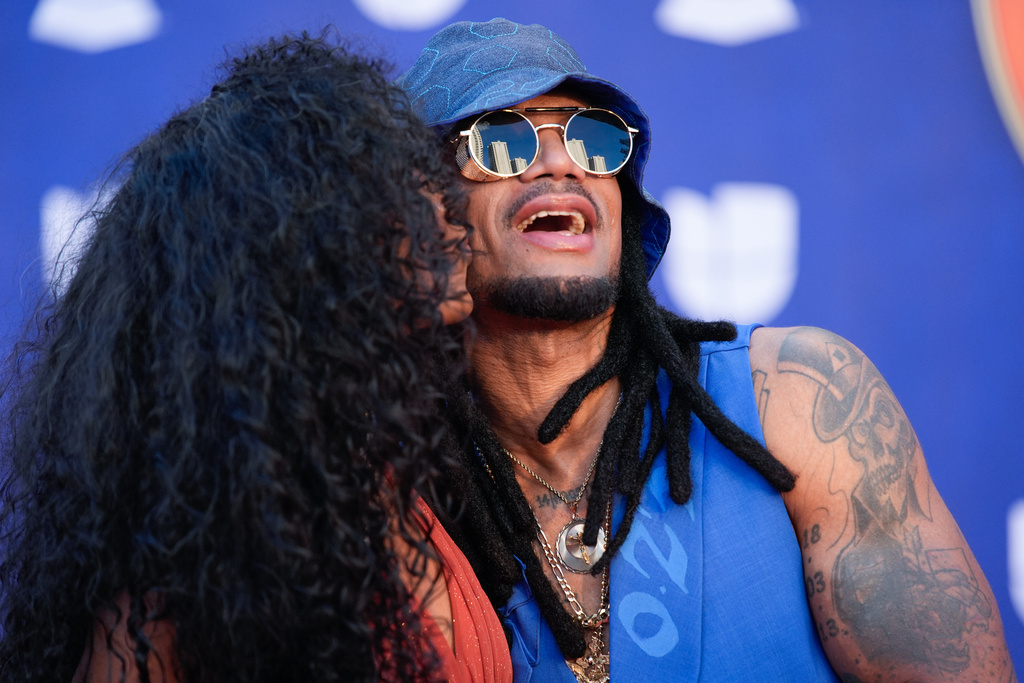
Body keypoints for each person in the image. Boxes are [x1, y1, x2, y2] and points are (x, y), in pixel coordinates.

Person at [399, 18, 1019, 683]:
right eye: (500, 141)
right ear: (423, 218)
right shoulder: (395, 499)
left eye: (594, 138)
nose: (561, 161)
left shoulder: (801, 405)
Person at [0, 33, 512, 682]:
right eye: (404, 192)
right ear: (303, 242)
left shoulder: (398, 486)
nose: (449, 213)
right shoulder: (181, 573)